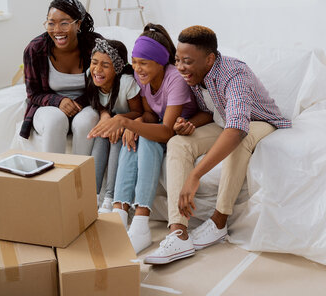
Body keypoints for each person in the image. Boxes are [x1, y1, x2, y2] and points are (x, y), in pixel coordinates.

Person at [143, 25, 292, 265]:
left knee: (238, 141)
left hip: (262, 121)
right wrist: (188, 125)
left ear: (209, 58)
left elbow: (236, 129)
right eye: (178, 60)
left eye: (187, 61)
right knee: (179, 143)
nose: (180, 67)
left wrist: (195, 175)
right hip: (223, 120)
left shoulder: (235, 75)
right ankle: (178, 233)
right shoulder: (195, 75)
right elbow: (210, 111)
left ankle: (219, 222)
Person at [88, 23, 197, 254]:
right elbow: (148, 114)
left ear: (160, 62)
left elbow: (166, 130)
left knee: (145, 138)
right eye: (135, 62)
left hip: (180, 130)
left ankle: (140, 224)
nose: (137, 68)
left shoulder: (174, 79)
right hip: (159, 127)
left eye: (144, 63)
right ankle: (118, 213)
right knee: (135, 137)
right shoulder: (141, 78)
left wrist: (128, 123)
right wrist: (135, 123)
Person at [20, 0, 102, 155]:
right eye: (51, 23)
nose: (57, 30)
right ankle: (53, 176)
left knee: (86, 122)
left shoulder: (95, 45)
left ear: (78, 24)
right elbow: (33, 93)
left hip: (87, 103)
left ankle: (80, 176)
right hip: (46, 106)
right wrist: (59, 101)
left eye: (64, 23)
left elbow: (107, 85)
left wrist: (78, 102)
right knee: (55, 121)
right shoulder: (35, 49)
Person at [86, 38, 143, 212]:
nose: (97, 69)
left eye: (105, 65)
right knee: (101, 136)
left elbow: (139, 112)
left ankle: (110, 197)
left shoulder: (126, 83)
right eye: (94, 62)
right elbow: (96, 103)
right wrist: (105, 115)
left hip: (128, 122)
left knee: (115, 138)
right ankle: (92, 196)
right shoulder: (91, 76)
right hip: (112, 121)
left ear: (117, 68)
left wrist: (118, 120)